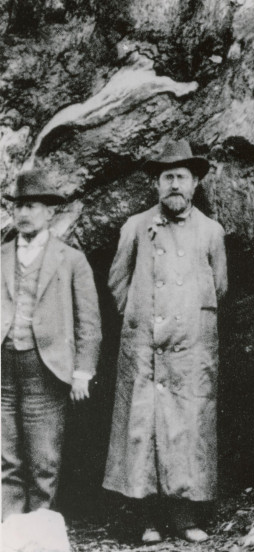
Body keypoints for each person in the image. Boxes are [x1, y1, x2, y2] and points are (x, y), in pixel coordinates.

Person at [103, 140, 228, 544]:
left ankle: (184, 516)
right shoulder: (136, 226)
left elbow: (219, 288)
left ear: (194, 184)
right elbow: (117, 282)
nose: (174, 184)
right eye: (167, 177)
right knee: (144, 430)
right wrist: (141, 317)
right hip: (145, 350)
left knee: (187, 429)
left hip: (189, 350)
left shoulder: (211, 231)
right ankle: (146, 518)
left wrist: (187, 319)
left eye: (181, 177)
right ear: (156, 184)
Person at [1, 170, 101, 520]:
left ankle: (40, 534)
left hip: (46, 370)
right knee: (6, 457)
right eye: (19, 207)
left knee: (44, 460)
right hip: (3, 369)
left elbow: (89, 322)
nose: (24, 213)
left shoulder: (70, 259)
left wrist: (82, 372)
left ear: (49, 213)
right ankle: (9, 534)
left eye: (32, 206)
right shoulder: (1, 255)